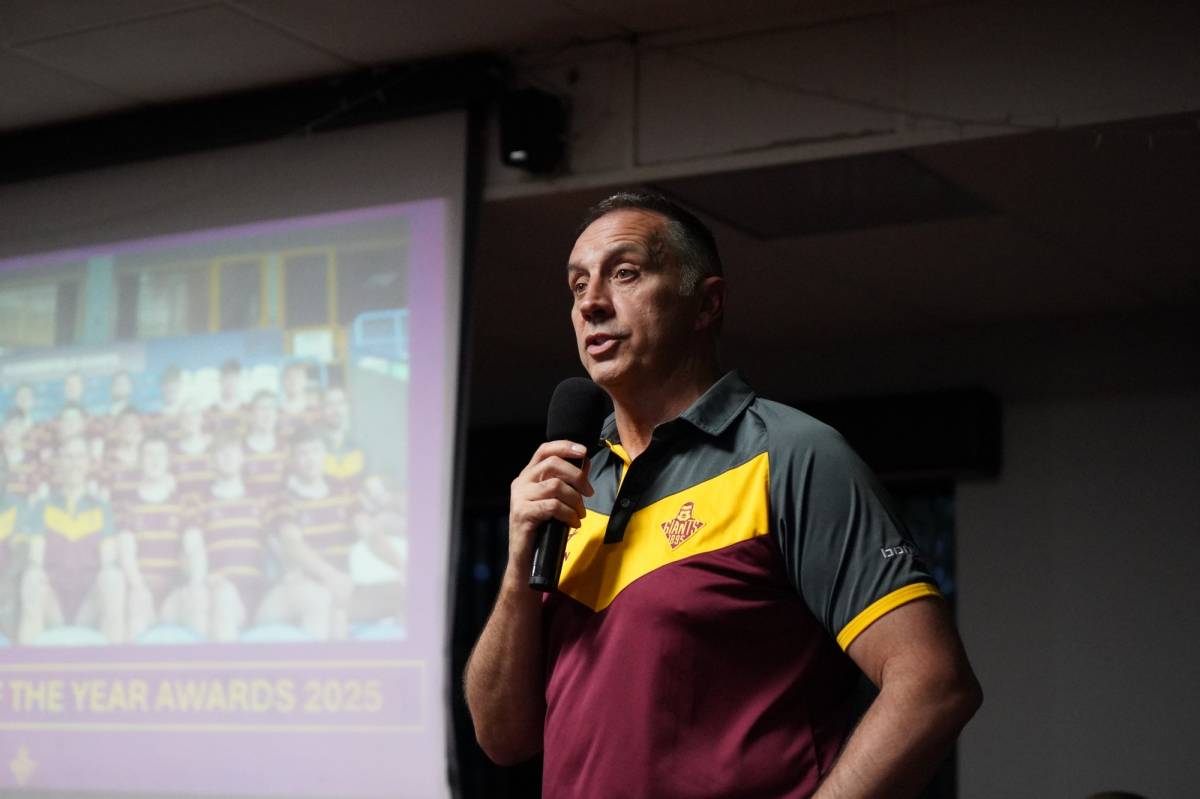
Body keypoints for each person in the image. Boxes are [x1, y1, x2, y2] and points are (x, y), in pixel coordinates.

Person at [464, 191, 982, 798]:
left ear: (706, 303)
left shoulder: (791, 455)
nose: (591, 303)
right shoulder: (572, 481)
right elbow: (502, 737)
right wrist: (518, 566)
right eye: (578, 285)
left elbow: (933, 684)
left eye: (624, 273)